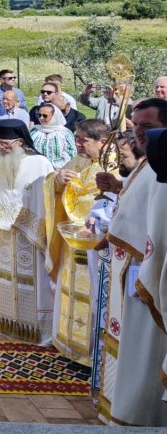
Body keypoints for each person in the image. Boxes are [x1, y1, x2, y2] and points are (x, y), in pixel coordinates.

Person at [97, 100, 167, 426]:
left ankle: (139, 417)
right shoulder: (150, 161)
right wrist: (119, 186)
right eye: (135, 125)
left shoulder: (160, 165)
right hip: (134, 273)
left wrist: (147, 270)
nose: (139, 132)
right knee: (130, 347)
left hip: (148, 278)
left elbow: (159, 229)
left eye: (148, 127)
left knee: (143, 352)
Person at [0, 120, 54, 344]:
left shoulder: (40, 163)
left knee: (33, 281)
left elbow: (46, 199)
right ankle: (8, 322)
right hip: (4, 234)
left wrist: (26, 221)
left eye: (7, 144)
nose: (3, 147)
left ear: (21, 141)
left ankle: (37, 329)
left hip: (31, 235)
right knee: (6, 279)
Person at [42, 119, 115, 366]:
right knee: (69, 291)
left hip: (96, 244)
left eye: (83, 140)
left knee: (92, 296)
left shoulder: (114, 166)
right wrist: (57, 179)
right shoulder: (80, 160)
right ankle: (68, 345)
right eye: (76, 138)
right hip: (71, 241)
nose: (77, 144)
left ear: (102, 141)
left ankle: (89, 355)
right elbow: (54, 182)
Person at [30, 104, 77, 169]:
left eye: (45, 116)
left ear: (54, 116)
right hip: (35, 167)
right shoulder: (34, 130)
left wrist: (52, 167)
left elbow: (71, 154)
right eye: (39, 115)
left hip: (57, 170)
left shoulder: (65, 133)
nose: (41, 118)